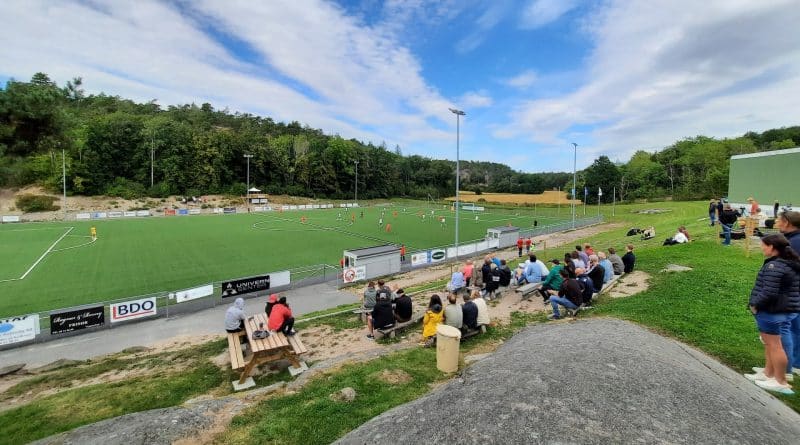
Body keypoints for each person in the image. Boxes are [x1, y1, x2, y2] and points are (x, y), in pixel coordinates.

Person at [744, 234, 800, 394]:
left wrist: (754, 305)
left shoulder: (774, 267)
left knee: (775, 345)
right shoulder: (790, 263)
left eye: (763, 245)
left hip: (773, 310)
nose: (761, 248)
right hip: (785, 309)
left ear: (772, 247)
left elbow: (768, 292)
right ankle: (768, 374)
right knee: (771, 344)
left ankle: (780, 380)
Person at [776, 211, 800, 375]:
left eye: (779, 220)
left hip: (791, 291)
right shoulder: (793, 239)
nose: (777, 222)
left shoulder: (793, 243)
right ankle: (796, 362)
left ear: (787, 223)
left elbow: (788, 268)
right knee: (795, 327)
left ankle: (787, 368)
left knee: (788, 328)